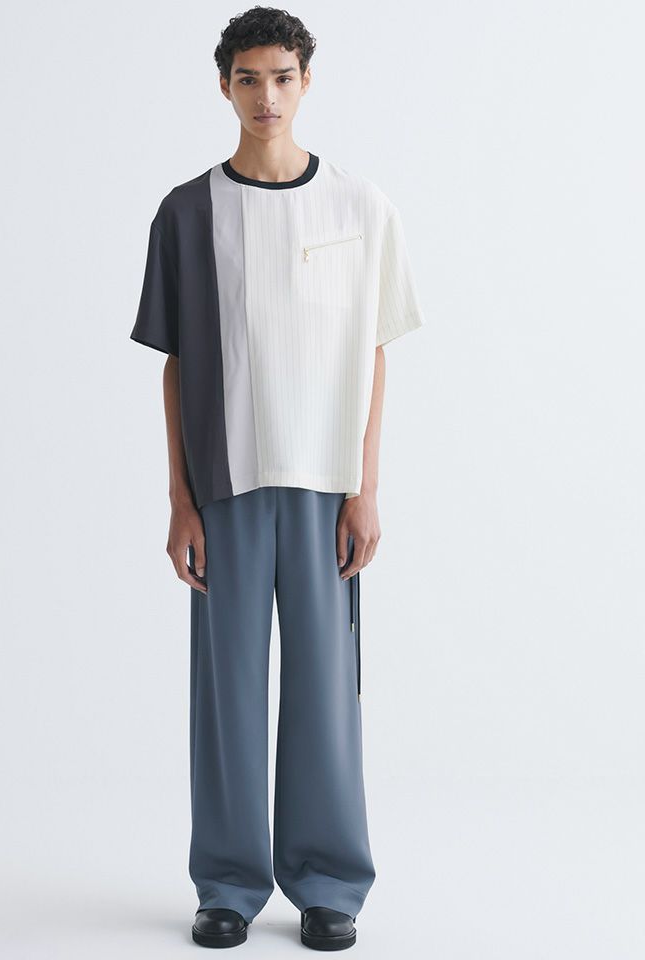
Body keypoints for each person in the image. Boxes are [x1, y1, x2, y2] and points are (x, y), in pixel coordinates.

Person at [129, 6, 424, 951]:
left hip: (325, 482)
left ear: (306, 82)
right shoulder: (187, 213)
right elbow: (175, 363)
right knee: (227, 694)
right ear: (224, 87)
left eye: (282, 77)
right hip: (225, 483)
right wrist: (179, 500)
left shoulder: (360, 207)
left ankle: (328, 883)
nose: (267, 96)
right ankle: (227, 883)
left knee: (326, 690)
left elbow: (374, 352)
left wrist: (366, 488)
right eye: (249, 79)